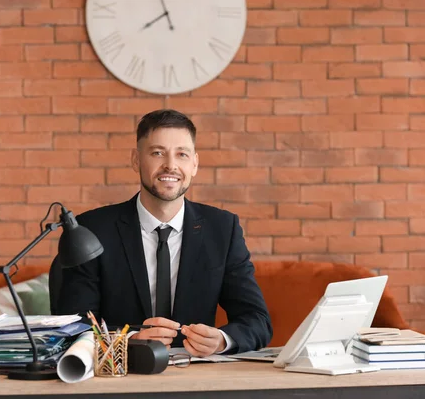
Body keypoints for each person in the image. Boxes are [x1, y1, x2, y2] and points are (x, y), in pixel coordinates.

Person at [56, 109, 272, 357]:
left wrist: (223, 340)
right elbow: (72, 324)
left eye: (182, 154)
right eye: (158, 153)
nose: (170, 165)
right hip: (121, 378)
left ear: (194, 164)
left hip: (196, 380)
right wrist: (128, 339)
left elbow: (257, 321)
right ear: (136, 160)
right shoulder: (92, 229)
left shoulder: (223, 229)